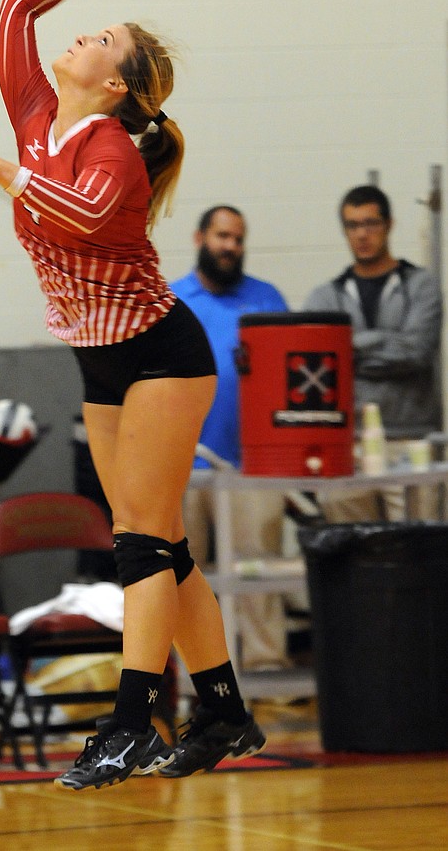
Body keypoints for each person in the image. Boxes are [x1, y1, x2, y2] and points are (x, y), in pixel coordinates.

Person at [0, 0, 265, 790]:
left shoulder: (110, 149)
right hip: (100, 356)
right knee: (154, 541)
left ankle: (131, 726)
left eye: (100, 38)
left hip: (162, 353)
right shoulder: (39, 112)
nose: (77, 37)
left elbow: (72, 212)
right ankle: (224, 708)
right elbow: (15, 8)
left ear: (115, 84)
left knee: (141, 541)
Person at [171, 205, 292, 672]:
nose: (230, 247)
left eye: (238, 239)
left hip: (253, 465)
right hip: (185, 463)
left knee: (258, 570)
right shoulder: (171, 301)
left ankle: (267, 669)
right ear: (200, 237)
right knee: (186, 577)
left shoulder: (267, 300)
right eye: (222, 236)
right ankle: (197, 682)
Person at [304, 184, 443, 521]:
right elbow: (319, 363)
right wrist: (385, 344)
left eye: (370, 223)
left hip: (412, 442)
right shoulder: (325, 296)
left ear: (388, 225)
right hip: (346, 445)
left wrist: (349, 346)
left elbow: (416, 351)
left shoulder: (421, 286)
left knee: (415, 556)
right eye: (353, 225)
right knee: (352, 556)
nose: (362, 234)